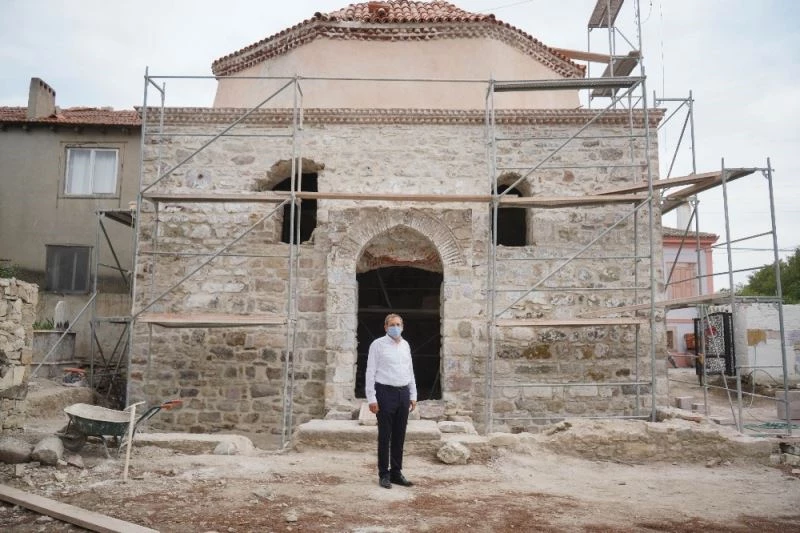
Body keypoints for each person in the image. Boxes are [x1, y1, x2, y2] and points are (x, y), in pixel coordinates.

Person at [365, 313, 418, 489]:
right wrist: (371, 398)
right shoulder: (378, 345)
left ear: (402, 326)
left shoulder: (405, 345)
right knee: (385, 435)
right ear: (386, 327)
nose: (395, 327)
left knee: (399, 435)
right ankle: (384, 473)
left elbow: (410, 370)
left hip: (403, 392)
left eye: (398, 324)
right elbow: (370, 372)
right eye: (392, 324)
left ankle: (396, 472)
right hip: (385, 392)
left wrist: (413, 394)